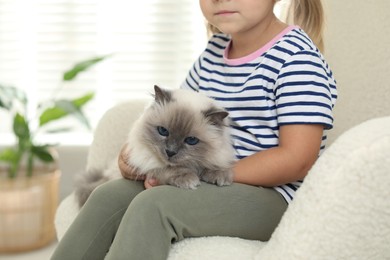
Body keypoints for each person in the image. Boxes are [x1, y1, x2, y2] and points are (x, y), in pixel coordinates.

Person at [51, 0, 337, 259]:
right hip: (209, 181)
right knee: (107, 195)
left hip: (273, 198)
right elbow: (177, 112)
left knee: (155, 206)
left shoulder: (297, 59)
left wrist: (207, 174)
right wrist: (136, 158)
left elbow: (298, 159)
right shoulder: (214, 52)